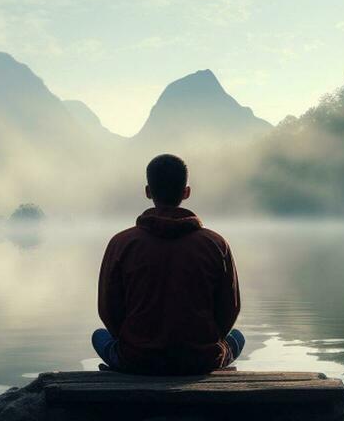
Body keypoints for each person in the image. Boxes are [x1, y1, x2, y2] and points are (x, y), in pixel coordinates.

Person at [93, 154, 244, 374]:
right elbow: (230, 309)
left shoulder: (121, 243)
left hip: (137, 360)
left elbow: (107, 309)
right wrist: (205, 344)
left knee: (99, 335)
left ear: (148, 191)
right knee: (238, 337)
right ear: (186, 192)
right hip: (201, 361)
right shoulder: (216, 244)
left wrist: (135, 344)